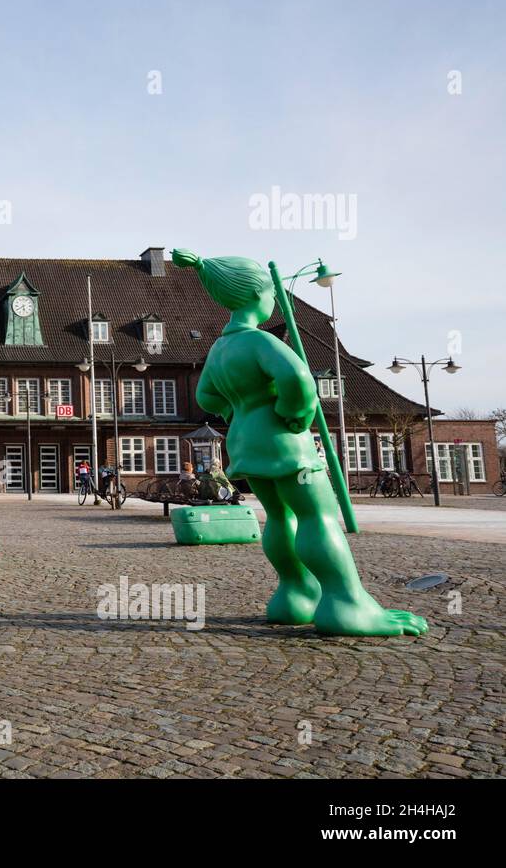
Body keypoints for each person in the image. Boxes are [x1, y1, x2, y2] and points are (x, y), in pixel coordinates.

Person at [173, 248, 426, 636]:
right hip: (282, 441)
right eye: (273, 294)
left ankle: (295, 594)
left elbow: (206, 396)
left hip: (244, 440)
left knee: (279, 516)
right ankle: (346, 604)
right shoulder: (259, 342)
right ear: (259, 294)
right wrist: (296, 414)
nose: (276, 300)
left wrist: (238, 409)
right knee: (316, 515)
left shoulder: (220, 349)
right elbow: (298, 379)